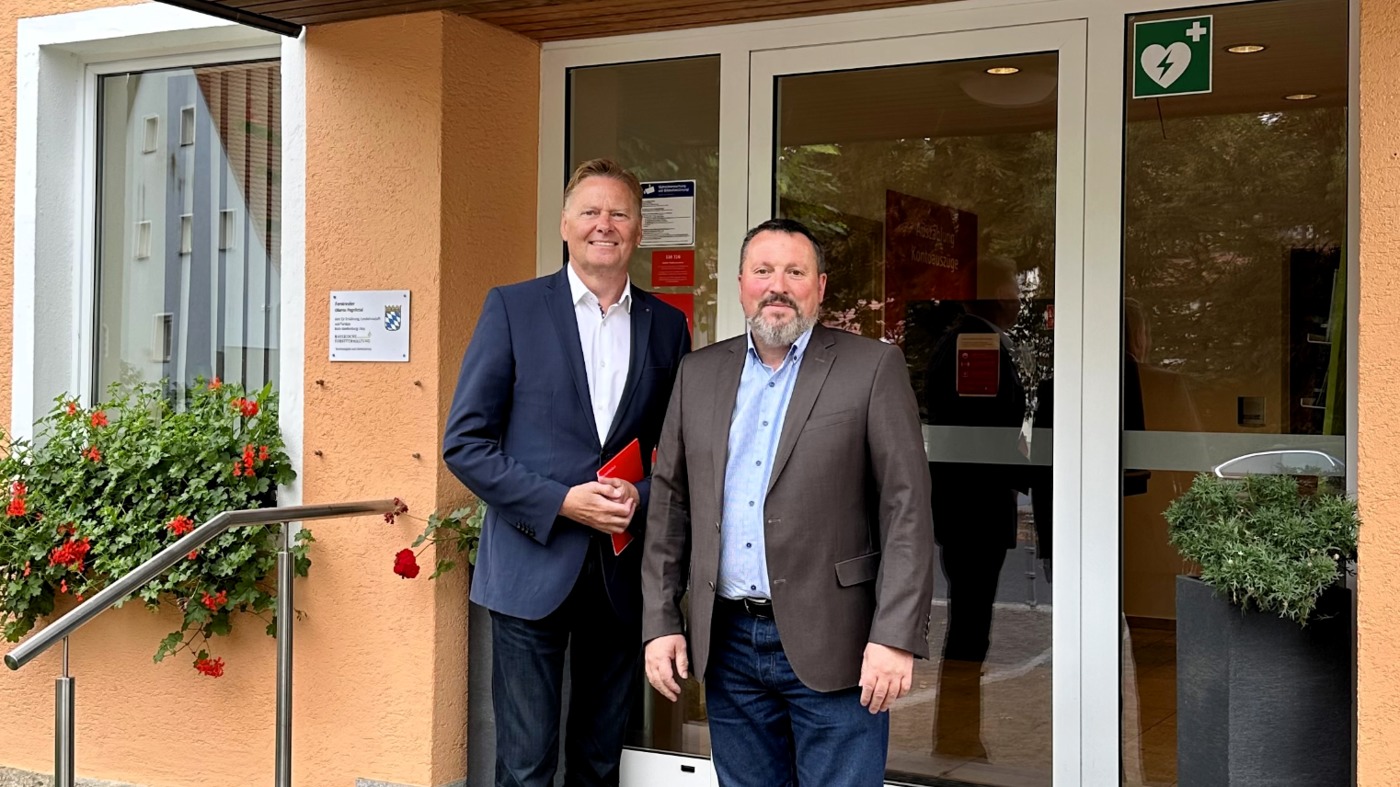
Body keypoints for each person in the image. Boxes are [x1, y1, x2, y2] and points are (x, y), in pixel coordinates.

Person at [641, 217, 934, 787]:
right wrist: (660, 622)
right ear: (742, 283)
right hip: (727, 644)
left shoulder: (871, 367)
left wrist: (894, 635)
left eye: (795, 271)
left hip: (839, 641)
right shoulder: (699, 373)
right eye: (763, 270)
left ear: (820, 287)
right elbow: (671, 505)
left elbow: (906, 509)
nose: (778, 285)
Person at [442, 158, 691, 787]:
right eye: (590, 211)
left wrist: (636, 494)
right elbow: (466, 443)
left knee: (601, 761)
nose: (603, 224)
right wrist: (560, 502)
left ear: (638, 229)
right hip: (530, 566)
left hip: (619, 572)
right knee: (525, 766)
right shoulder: (513, 309)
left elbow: (678, 451)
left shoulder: (667, 326)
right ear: (564, 223)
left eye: (619, 213)